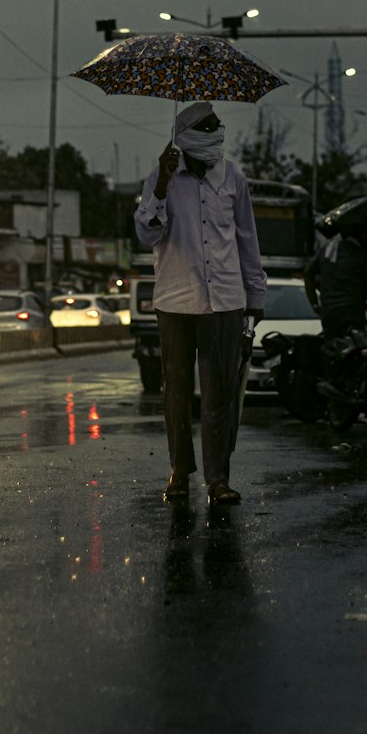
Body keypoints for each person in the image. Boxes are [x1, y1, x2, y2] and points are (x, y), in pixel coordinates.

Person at [134, 102, 266, 506]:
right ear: (186, 135)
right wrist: (160, 187)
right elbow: (146, 234)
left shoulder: (233, 179)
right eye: (206, 127)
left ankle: (217, 480)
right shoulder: (162, 177)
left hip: (224, 301)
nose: (215, 133)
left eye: (217, 126)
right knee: (175, 390)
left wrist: (255, 298)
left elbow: (247, 239)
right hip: (175, 300)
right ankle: (179, 473)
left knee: (220, 393)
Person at [303, 224, 367, 339]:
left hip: (329, 316)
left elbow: (308, 273)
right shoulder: (363, 255)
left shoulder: (326, 251)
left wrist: (315, 304)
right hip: (353, 316)